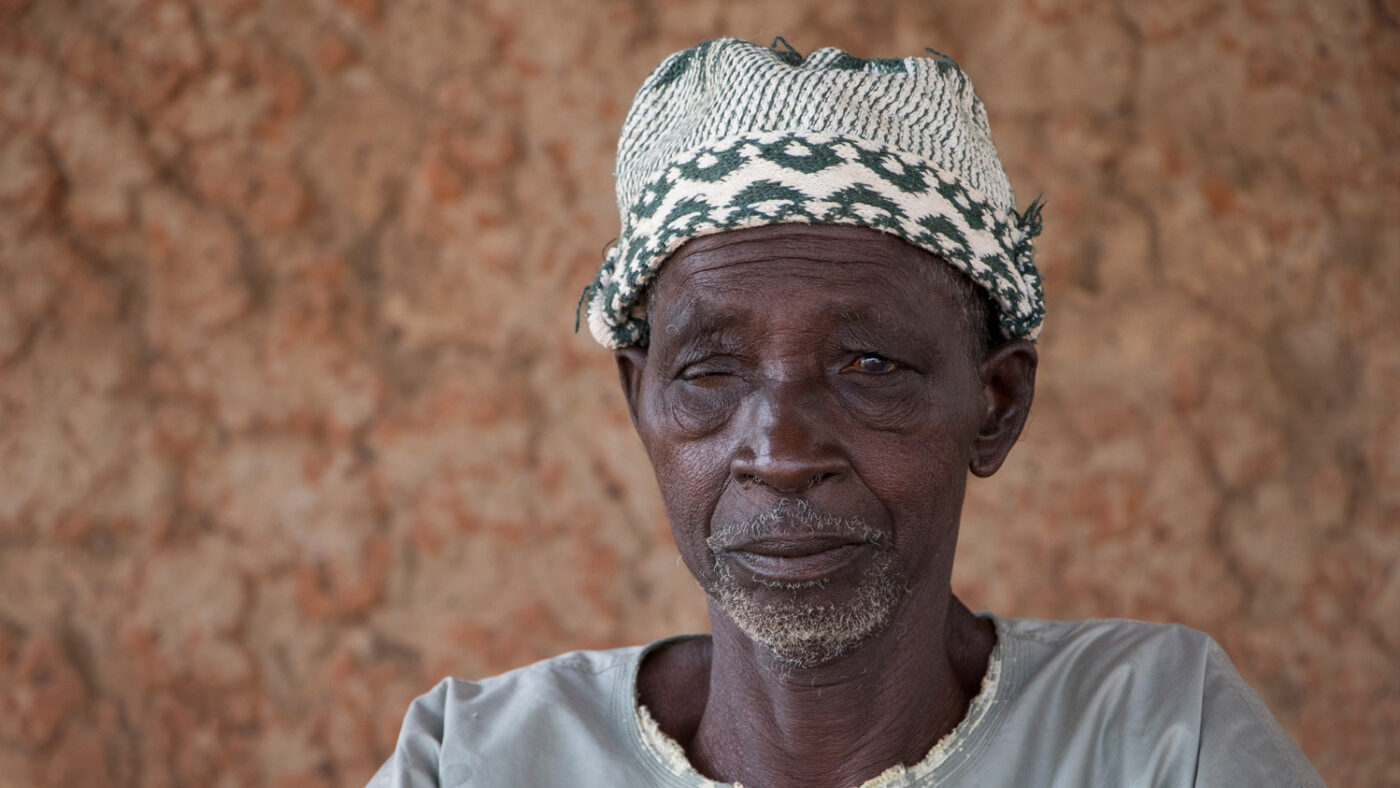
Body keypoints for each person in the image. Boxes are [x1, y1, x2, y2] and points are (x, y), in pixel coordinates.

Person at [370, 38, 1324, 787]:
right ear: (641, 400)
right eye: (709, 372)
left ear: (996, 405)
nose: (780, 452)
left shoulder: (1159, 738)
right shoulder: (475, 761)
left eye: (870, 364)